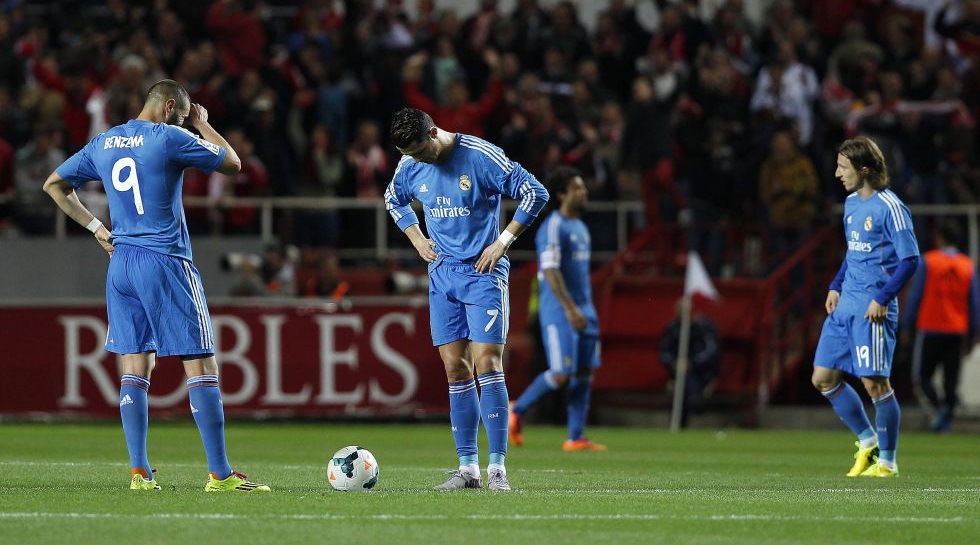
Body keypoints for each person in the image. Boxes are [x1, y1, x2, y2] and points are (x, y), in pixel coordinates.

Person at [42, 79, 270, 493]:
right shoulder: (169, 137)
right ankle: (220, 475)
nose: (183, 122)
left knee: (135, 367)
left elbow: (53, 185)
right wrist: (203, 125)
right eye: (181, 115)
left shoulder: (105, 142)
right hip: (165, 260)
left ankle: (140, 472)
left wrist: (97, 227)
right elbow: (233, 163)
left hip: (122, 264)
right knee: (200, 365)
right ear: (169, 108)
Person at [385, 107, 548, 492]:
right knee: (455, 369)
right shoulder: (408, 163)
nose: (417, 159)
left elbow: (534, 192)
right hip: (442, 276)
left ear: (433, 132)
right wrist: (417, 238)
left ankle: (497, 470)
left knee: (487, 362)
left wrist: (503, 241)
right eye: (409, 154)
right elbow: (394, 200)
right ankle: (468, 469)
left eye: (421, 151)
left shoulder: (480, 156)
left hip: (483, 273)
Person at [811, 136, 920, 478]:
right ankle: (868, 440)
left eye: (843, 167)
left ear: (864, 169)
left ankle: (887, 462)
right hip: (845, 306)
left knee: (875, 384)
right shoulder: (850, 204)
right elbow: (854, 252)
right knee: (822, 378)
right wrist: (835, 284)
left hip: (873, 307)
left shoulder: (891, 207)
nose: (836, 173)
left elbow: (910, 260)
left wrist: (882, 298)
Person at [508, 166, 606, 451]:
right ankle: (518, 408)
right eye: (577, 188)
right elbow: (550, 272)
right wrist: (570, 308)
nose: (584, 192)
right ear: (562, 193)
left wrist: (584, 309)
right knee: (561, 372)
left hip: (585, 311)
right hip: (560, 312)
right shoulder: (553, 226)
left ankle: (575, 436)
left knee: (585, 372)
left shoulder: (581, 228)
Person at [902, 220, 979, 432]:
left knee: (921, 377)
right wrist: (973, 334)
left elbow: (916, 295)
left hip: (931, 328)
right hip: (957, 330)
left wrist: (907, 325)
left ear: (939, 237)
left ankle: (939, 411)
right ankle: (945, 419)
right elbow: (974, 304)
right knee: (951, 380)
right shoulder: (967, 265)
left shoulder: (929, 261)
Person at [659, 300, 721, 429]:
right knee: (683, 388)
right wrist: (674, 364)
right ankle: (677, 424)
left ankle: (684, 419)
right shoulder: (673, 328)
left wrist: (692, 363)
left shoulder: (705, 328)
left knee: (688, 391)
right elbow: (664, 352)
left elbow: (711, 352)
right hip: (678, 374)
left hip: (702, 374)